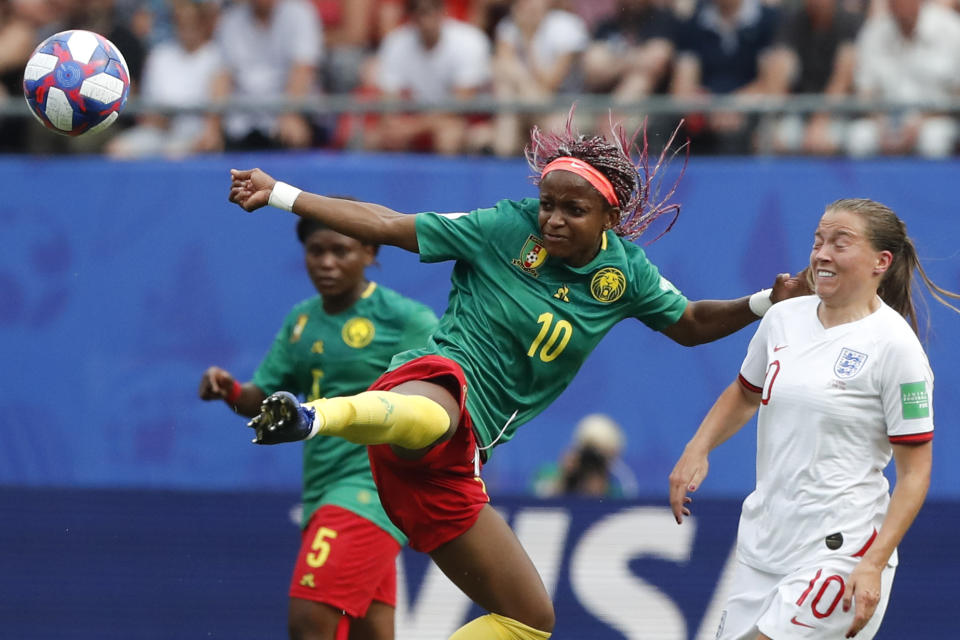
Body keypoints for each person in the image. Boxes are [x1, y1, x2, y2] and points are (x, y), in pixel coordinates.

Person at [226, 111, 808, 639]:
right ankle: (311, 416)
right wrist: (281, 193)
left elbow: (689, 322)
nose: (551, 220)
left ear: (611, 215)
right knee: (437, 411)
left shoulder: (627, 274)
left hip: (456, 462)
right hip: (428, 387)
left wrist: (762, 303)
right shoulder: (502, 226)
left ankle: (327, 417)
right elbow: (385, 223)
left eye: (572, 210)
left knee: (530, 621)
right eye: (547, 204)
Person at [669, 198, 960, 639]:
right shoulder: (783, 318)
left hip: (841, 551)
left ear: (881, 261)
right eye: (818, 241)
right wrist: (698, 447)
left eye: (840, 243)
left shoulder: (897, 349)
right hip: (763, 546)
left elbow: (915, 475)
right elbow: (745, 394)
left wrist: (874, 562)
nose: (821, 254)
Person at [198, 216, 439, 640]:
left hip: (373, 490)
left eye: (340, 251)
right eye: (316, 251)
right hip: (322, 486)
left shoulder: (405, 318)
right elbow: (265, 398)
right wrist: (231, 389)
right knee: (371, 634)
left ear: (370, 252)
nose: (326, 262)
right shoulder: (301, 321)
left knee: (309, 623)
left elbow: (441, 398)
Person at [532, 413, 639, 498]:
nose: (592, 462)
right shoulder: (548, 473)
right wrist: (563, 479)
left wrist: (600, 495)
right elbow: (535, 502)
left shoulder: (616, 488)